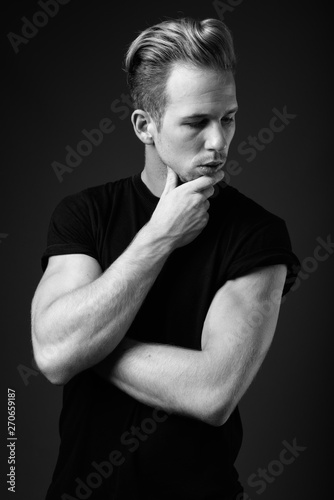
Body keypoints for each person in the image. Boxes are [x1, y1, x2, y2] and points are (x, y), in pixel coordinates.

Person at [31, 17, 301, 500]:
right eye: (197, 122)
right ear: (145, 126)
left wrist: (86, 346)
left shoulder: (258, 235)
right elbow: (53, 356)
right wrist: (158, 236)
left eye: (229, 117)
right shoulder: (85, 215)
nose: (218, 142)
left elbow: (214, 391)